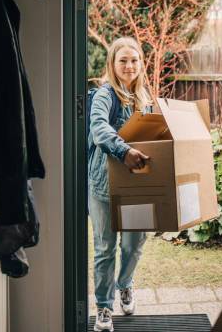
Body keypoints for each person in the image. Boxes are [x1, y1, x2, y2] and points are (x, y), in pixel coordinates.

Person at [88, 37, 152, 332]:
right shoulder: (105, 94)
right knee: (105, 248)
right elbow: (99, 128)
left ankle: (124, 285)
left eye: (134, 60)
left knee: (134, 243)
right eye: (123, 60)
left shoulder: (144, 96)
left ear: (142, 63)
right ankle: (103, 306)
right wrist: (124, 150)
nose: (129, 66)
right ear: (112, 64)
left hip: (138, 183)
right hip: (103, 184)